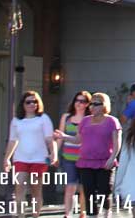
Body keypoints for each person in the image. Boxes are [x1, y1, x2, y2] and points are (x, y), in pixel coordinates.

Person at [54, 92, 121, 217]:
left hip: (104, 162)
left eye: (97, 104)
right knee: (88, 192)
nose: (92, 106)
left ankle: (106, 214)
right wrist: (64, 137)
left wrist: (113, 158)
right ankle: (92, 215)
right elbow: (78, 140)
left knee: (104, 192)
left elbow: (117, 142)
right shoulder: (85, 121)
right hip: (86, 162)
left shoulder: (112, 121)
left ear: (104, 105)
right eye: (91, 104)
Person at [4, 90, 56, 218]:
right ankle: (21, 215)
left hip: (39, 159)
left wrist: (53, 153)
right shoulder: (16, 121)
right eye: (29, 102)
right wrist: (6, 159)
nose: (32, 104)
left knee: (35, 190)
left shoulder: (43, 118)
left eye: (35, 101)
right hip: (20, 158)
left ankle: (35, 215)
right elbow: (12, 140)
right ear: (23, 104)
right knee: (19, 187)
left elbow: (50, 139)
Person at [57, 90, 91, 218]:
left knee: (83, 188)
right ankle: (68, 213)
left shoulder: (89, 119)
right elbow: (60, 136)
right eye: (77, 100)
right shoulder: (66, 117)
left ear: (87, 104)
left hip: (84, 158)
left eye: (82, 101)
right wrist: (54, 153)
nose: (79, 103)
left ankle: (82, 212)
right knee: (70, 186)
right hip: (68, 157)